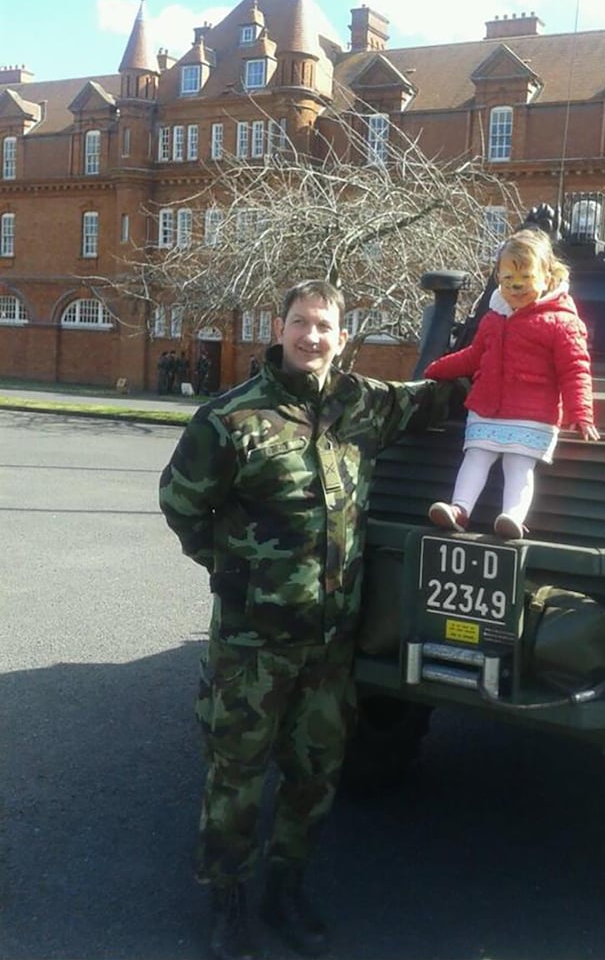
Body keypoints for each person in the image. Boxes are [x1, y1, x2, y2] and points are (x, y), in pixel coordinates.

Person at [159, 280, 454, 960]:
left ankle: (285, 890)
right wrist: (229, 568)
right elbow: (179, 503)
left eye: (324, 325)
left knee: (315, 773)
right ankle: (227, 904)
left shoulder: (361, 405)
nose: (311, 336)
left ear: (341, 336)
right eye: (300, 323)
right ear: (280, 326)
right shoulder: (230, 419)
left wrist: (516, 360)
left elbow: (435, 397)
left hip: (329, 644)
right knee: (235, 774)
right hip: (252, 645)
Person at [425, 227, 600, 540]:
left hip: (532, 414)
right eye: (507, 280)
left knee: (519, 467)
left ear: (548, 277)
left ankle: (512, 517)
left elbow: (575, 369)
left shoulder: (562, 321)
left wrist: (581, 412)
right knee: (475, 458)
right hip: (488, 407)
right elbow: (474, 356)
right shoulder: (494, 317)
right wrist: (437, 368)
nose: (516, 287)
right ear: (498, 279)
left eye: (526, 279)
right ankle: (459, 509)